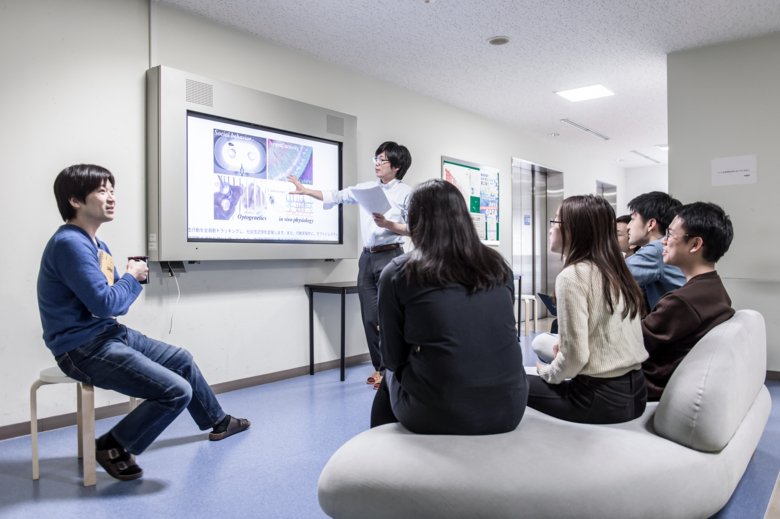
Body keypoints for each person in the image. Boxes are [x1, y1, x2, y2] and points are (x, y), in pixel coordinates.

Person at [37, 164, 250, 482]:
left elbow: (108, 306)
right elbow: (107, 303)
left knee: (181, 360)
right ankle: (113, 446)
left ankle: (218, 421)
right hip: (80, 348)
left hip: (106, 334)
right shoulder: (69, 243)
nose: (111, 198)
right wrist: (132, 278)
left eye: (112, 190)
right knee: (176, 391)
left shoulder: (97, 245)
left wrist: (126, 282)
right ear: (75, 200)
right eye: (101, 190)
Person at [368, 179, 527, 434]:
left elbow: (392, 358)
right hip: (510, 407)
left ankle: (378, 459)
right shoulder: (498, 267)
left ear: (415, 222)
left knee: (388, 378)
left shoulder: (400, 272)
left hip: (435, 413)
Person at [289, 141, 412, 389]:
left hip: (392, 256)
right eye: (375, 158)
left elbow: (414, 229)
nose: (377, 163)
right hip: (367, 258)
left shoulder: (407, 193)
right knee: (369, 318)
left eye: (383, 160)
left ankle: (395, 369)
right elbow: (336, 196)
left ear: (397, 166)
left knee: (389, 317)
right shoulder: (366, 188)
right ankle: (380, 368)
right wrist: (306, 191)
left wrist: (389, 225)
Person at [528, 195, 648, 424]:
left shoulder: (572, 277)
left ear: (573, 230)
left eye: (555, 222)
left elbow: (576, 358)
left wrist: (548, 373)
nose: (551, 230)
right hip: (637, 394)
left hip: (600, 400)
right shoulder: (616, 271)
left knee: (517, 382)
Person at [642, 202, 735, 400]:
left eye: (670, 235)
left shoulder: (681, 302)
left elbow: (627, 346)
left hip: (644, 387)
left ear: (695, 244)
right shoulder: (715, 289)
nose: (664, 242)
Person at [626, 191, 686, 310]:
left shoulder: (657, 249)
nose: (628, 226)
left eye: (632, 219)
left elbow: (610, 276)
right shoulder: (666, 246)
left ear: (651, 224)